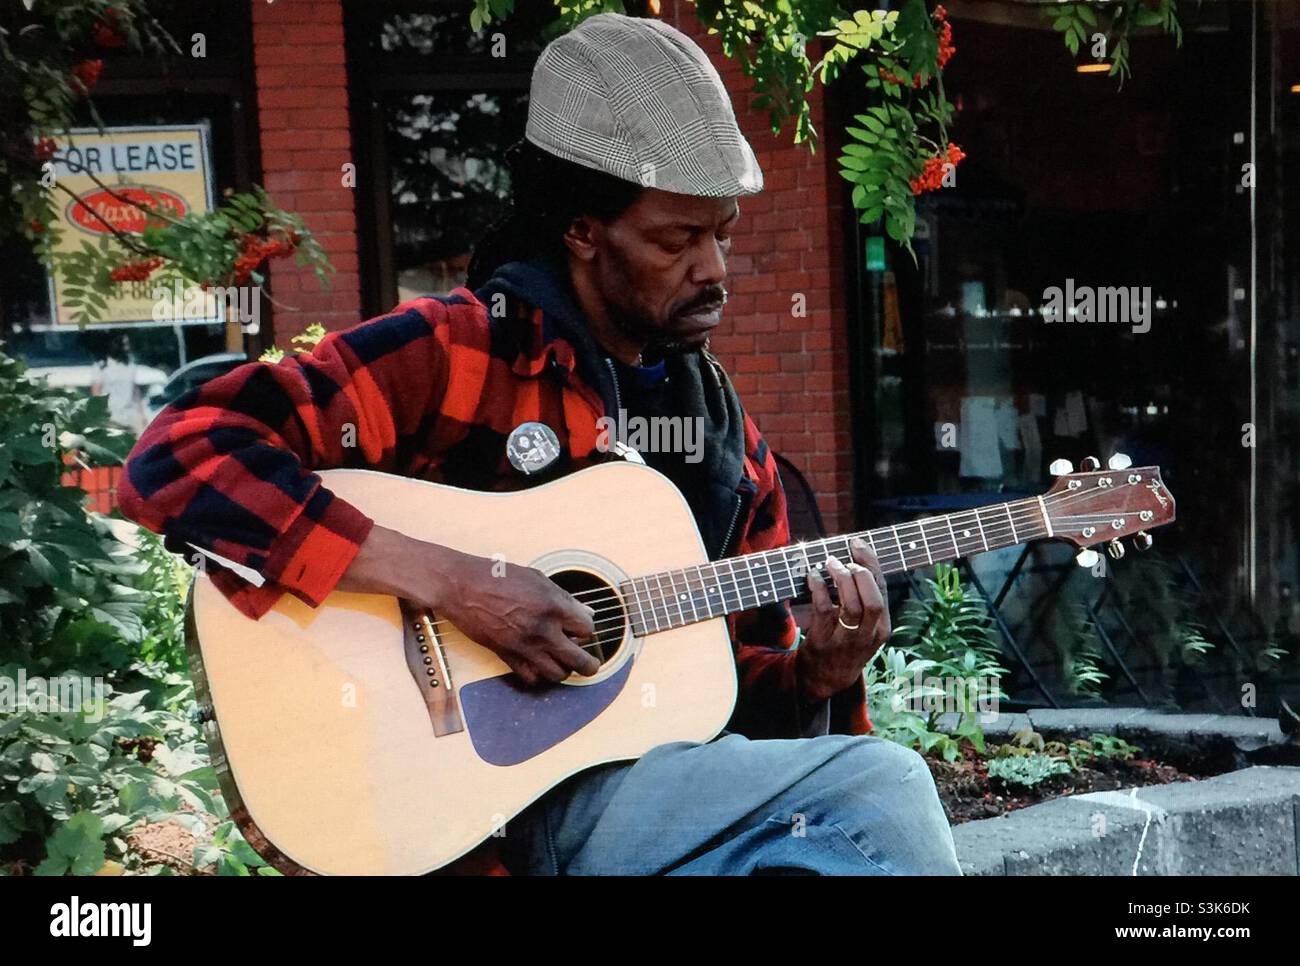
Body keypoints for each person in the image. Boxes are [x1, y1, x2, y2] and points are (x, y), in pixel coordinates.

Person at [119, 13, 960, 876]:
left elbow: (729, 715)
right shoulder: (457, 351)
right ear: (581, 230)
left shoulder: (722, 442)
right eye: (678, 239)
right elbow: (179, 457)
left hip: (621, 804)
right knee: (881, 788)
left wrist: (818, 676)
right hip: (459, 815)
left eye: (725, 234)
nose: (715, 269)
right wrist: (456, 584)